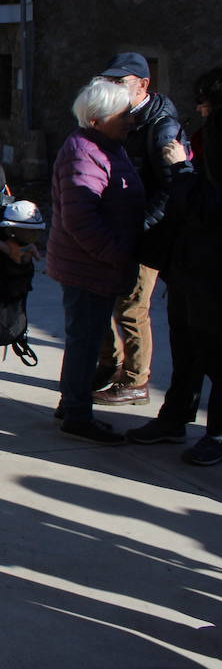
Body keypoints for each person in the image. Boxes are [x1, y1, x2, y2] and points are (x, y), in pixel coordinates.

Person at [127, 69, 222, 464]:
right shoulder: (207, 133)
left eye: (204, 102)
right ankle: (175, 418)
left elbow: (207, 207)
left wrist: (181, 168)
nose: (199, 109)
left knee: (213, 350)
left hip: (210, 268)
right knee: (187, 344)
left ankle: (215, 434)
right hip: (191, 263)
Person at [46, 79, 145, 444]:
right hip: (88, 266)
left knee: (85, 340)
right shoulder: (83, 152)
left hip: (95, 264)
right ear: (96, 120)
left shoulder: (105, 146)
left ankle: (72, 404)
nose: (131, 120)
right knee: (84, 342)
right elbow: (81, 220)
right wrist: (115, 255)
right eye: (123, 115)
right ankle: (76, 414)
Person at [91, 53, 186, 408]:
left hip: (145, 235)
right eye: (109, 81)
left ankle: (135, 381)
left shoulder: (162, 126)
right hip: (119, 229)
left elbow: (171, 187)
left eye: (121, 82)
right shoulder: (122, 117)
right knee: (105, 299)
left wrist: (141, 225)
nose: (113, 88)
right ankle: (110, 365)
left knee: (131, 307)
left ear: (143, 84)